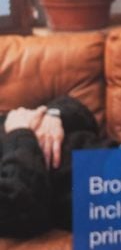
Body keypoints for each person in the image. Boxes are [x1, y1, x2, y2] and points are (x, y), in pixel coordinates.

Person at [0, 97, 114, 237]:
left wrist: (53, 116)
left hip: (120, 156)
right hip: (108, 195)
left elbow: (84, 115)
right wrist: (19, 132)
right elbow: (20, 204)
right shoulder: (16, 126)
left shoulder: (12, 119)